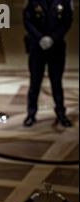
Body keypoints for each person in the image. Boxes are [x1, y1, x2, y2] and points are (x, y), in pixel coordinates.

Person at [23, 0, 73, 128]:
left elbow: (67, 21)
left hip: (56, 47)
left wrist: (53, 38)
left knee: (56, 83)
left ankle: (61, 114)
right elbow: (27, 21)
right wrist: (40, 38)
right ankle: (31, 114)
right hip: (37, 47)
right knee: (35, 83)